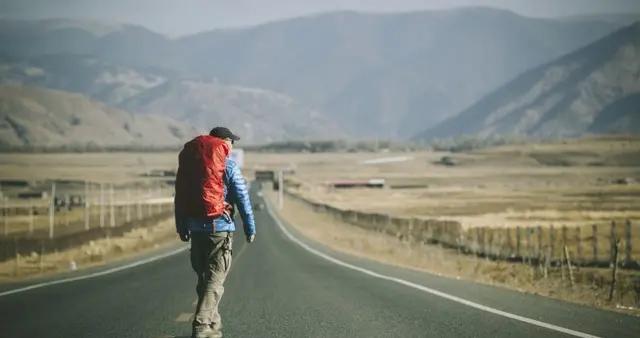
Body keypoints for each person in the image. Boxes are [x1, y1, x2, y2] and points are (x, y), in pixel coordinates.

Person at [174, 126, 256, 338]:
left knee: (204, 279)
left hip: (195, 228)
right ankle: (202, 325)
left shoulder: (190, 166)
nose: (232, 146)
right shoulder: (228, 165)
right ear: (224, 141)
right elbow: (242, 197)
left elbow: (180, 196)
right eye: (231, 142)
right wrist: (250, 227)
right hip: (218, 228)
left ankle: (213, 325)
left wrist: (181, 226)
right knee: (215, 279)